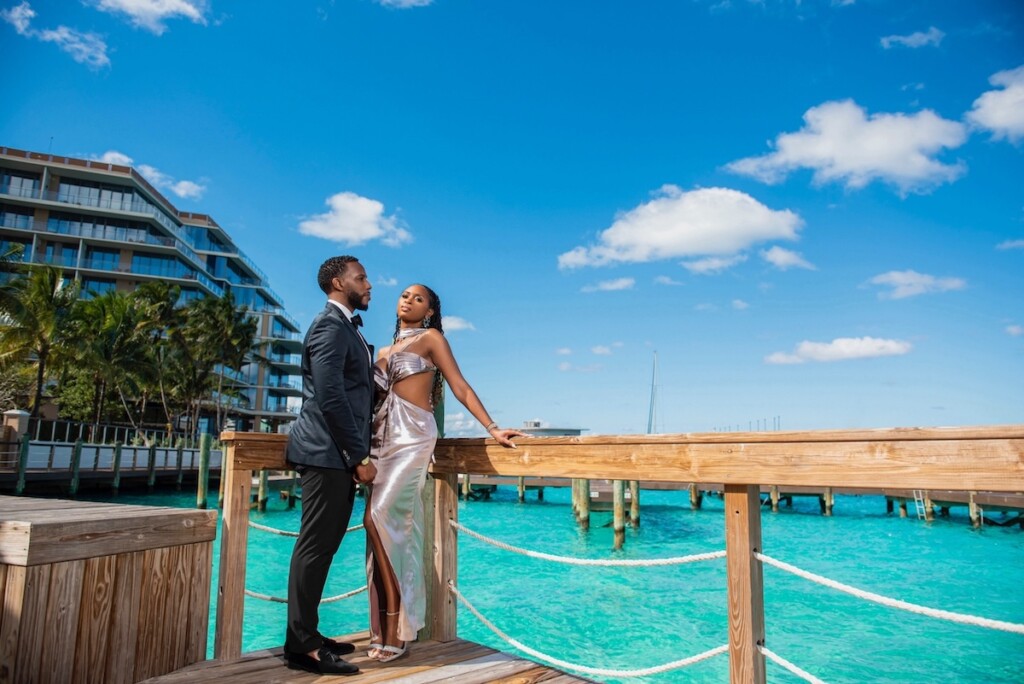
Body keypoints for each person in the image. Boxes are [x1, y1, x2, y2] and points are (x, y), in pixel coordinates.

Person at [363, 283, 525, 663]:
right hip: (379, 440)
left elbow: (460, 386)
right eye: (405, 295)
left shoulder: (432, 339)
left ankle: (397, 623)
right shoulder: (382, 351)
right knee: (384, 533)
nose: (408, 300)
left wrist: (492, 428)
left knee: (379, 519)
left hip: (413, 437)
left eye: (418, 298)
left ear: (430, 311)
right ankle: (383, 629)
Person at [284, 255, 378, 676]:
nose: (369, 284)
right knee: (314, 547)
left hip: (333, 454)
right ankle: (301, 647)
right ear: (339, 282)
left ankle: (307, 632)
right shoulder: (329, 326)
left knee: (323, 549)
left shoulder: (346, 327)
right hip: (326, 453)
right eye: (362, 278)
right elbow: (331, 396)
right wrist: (358, 455)